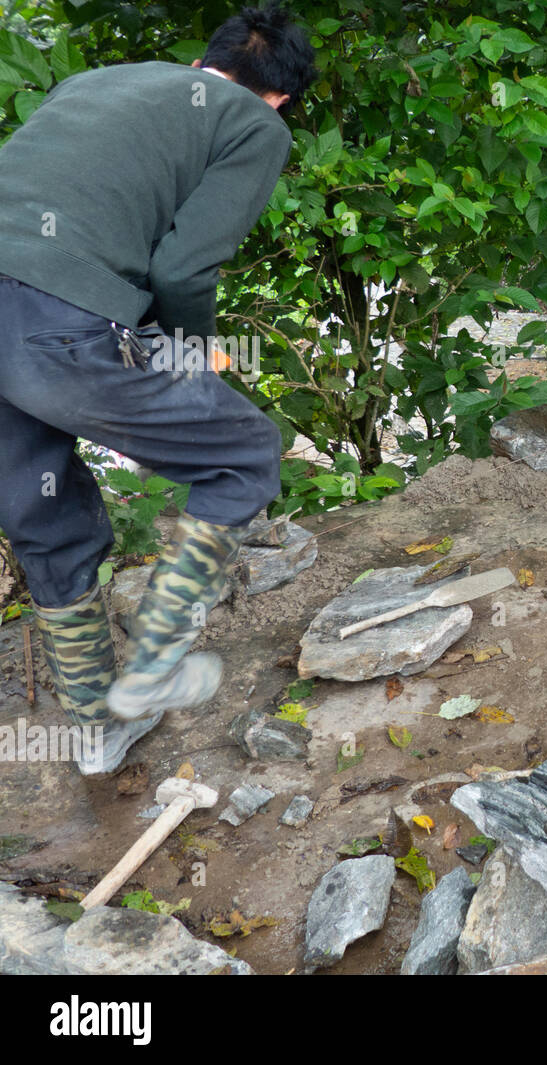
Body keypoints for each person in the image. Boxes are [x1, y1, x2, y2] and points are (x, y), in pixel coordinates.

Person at [0, 4, 315, 773]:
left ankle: (99, 733)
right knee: (243, 453)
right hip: (59, 315)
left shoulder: (92, 81)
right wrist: (191, 354)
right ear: (279, 96)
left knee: (43, 513)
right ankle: (153, 668)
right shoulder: (254, 124)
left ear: (207, 60)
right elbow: (181, 269)